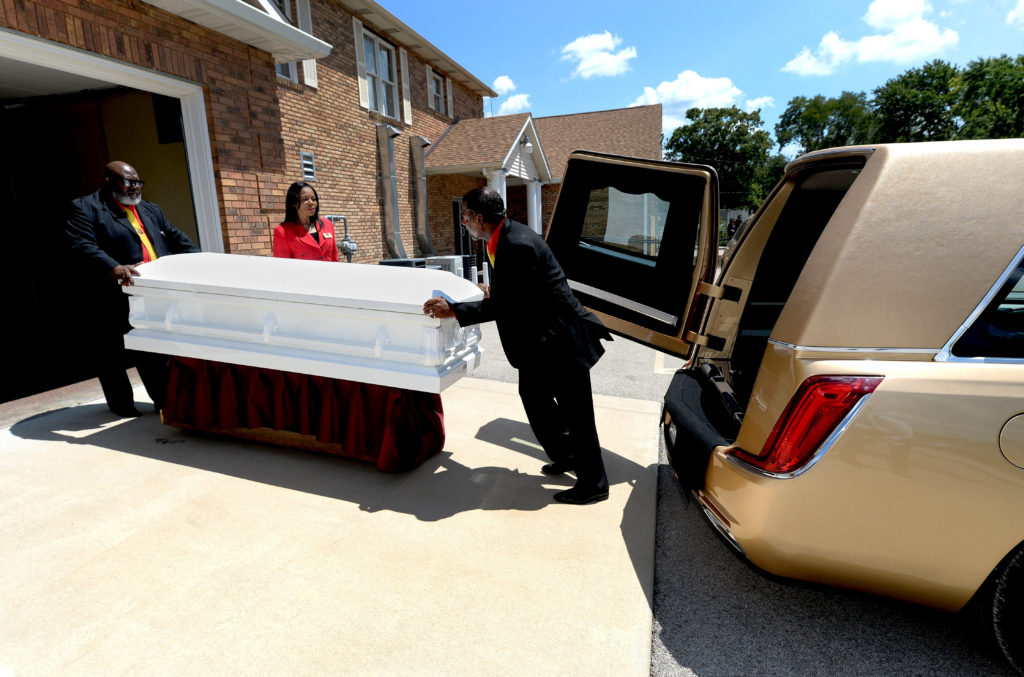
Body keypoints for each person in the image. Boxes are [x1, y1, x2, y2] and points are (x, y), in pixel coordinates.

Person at [423, 187, 613, 505]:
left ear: (479, 218)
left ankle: (594, 483)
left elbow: (507, 306)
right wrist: (490, 289)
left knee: (577, 412)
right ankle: (567, 456)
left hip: (562, 339)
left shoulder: (516, 244)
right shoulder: (503, 237)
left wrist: (454, 309)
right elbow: (517, 290)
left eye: (466, 216)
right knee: (535, 398)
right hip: (541, 341)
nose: (465, 222)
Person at [66, 160, 200, 417]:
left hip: (149, 296)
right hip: (110, 296)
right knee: (111, 353)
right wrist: (114, 267)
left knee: (153, 350)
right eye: (129, 182)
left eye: (138, 183)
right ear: (108, 182)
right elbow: (82, 244)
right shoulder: (85, 208)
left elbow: (174, 237)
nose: (135, 188)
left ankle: (165, 402)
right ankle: (122, 405)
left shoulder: (150, 210)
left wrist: (201, 260)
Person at [272, 182, 338, 261]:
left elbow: (335, 259)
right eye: (305, 199)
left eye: (313, 199)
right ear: (294, 203)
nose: (311, 203)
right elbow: (283, 266)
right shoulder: (282, 232)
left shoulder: (327, 224)